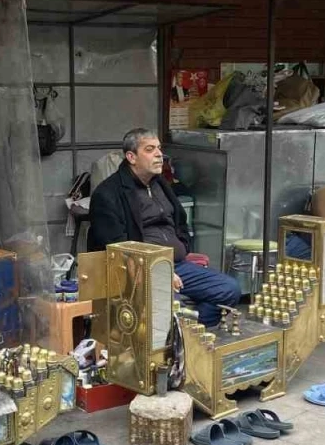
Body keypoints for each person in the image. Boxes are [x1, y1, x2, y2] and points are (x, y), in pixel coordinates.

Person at [88, 128, 241, 326]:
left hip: (177, 265)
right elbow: (117, 247)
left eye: (159, 148)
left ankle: (192, 333)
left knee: (228, 289)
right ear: (131, 157)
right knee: (171, 307)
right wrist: (158, 271)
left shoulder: (159, 184)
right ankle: (179, 334)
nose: (159, 154)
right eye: (150, 149)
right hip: (138, 271)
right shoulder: (108, 193)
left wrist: (183, 245)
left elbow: (180, 221)